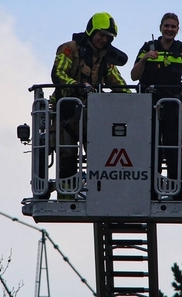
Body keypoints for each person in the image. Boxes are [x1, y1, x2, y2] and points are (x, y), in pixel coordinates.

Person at [50, 12, 128, 198]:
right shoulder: (69, 49)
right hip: (65, 112)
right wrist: (79, 87)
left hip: (92, 117)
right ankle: (66, 196)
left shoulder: (105, 59)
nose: (103, 39)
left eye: (108, 37)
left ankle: (99, 195)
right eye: (101, 34)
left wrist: (137, 101)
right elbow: (58, 74)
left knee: (100, 157)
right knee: (67, 157)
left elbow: (118, 83)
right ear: (91, 31)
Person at [131, 12, 182, 199]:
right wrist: (145, 58)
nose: (170, 29)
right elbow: (134, 75)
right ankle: (150, 190)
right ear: (160, 28)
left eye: (173, 26)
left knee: (173, 147)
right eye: (167, 26)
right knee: (150, 146)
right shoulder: (148, 47)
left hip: (173, 106)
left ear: (178, 29)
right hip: (149, 106)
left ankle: (178, 189)